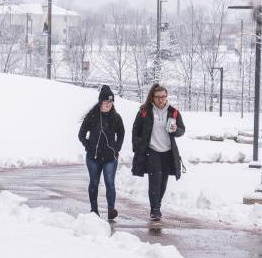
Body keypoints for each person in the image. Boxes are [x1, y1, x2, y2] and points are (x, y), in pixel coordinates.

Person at [131, 83, 185, 222]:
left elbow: (182, 130)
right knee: (154, 180)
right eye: (158, 97)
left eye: (163, 97)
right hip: (152, 150)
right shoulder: (145, 111)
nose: (161, 99)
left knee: (163, 181)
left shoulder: (173, 112)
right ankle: (154, 209)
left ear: (167, 97)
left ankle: (158, 205)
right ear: (153, 97)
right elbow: (135, 130)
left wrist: (175, 130)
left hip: (167, 152)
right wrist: (137, 146)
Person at [78, 85, 124, 220]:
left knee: (110, 182)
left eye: (111, 102)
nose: (108, 104)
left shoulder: (116, 117)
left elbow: (121, 133)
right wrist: (88, 145)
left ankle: (111, 209)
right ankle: (94, 210)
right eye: (106, 102)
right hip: (93, 157)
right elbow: (81, 134)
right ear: (100, 102)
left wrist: (117, 148)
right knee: (94, 182)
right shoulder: (92, 116)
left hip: (110, 157)